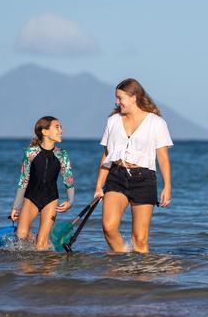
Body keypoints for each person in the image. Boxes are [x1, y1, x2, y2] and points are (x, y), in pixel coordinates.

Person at [94, 78, 172, 253]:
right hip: (116, 176)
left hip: (143, 179)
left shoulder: (156, 123)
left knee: (140, 238)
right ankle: (123, 260)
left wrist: (167, 186)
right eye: (116, 98)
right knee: (108, 227)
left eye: (120, 98)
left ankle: (140, 277)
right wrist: (99, 185)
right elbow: (106, 154)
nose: (117, 102)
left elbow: (163, 157)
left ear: (134, 97)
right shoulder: (113, 121)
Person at [10, 116, 75, 250]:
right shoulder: (30, 153)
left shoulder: (62, 154)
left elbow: (68, 179)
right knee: (21, 234)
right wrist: (16, 207)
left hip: (50, 200)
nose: (61, 130)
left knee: (41, 246)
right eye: (57, 127)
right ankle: (34, 243)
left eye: (61, 127)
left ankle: (43, 265)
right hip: (31, 198)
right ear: (45, 132)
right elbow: (23, 180)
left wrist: (70, 201)